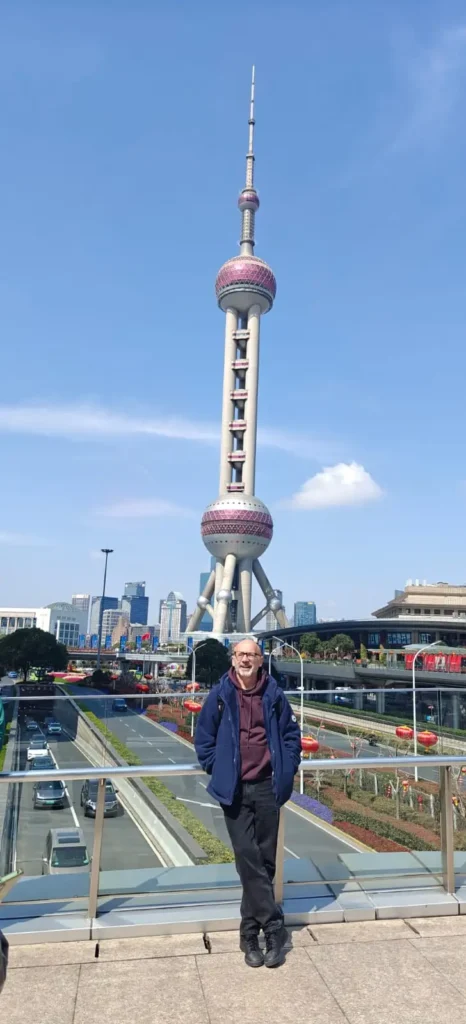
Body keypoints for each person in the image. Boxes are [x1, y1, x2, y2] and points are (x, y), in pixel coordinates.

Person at [195, 638, 301, 968]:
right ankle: (274, 927)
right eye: (241, 654)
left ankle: (250, 934)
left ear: (260, 661)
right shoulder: (220, 695)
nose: (246, 659)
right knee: (247, 856)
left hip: (268, 786)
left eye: (252, 655)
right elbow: (203, 739)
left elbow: (291, 736)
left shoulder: (274, 694)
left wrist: (286, 767)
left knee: (264, 861)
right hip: (236, 790)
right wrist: (220, 767)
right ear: (233, 658)